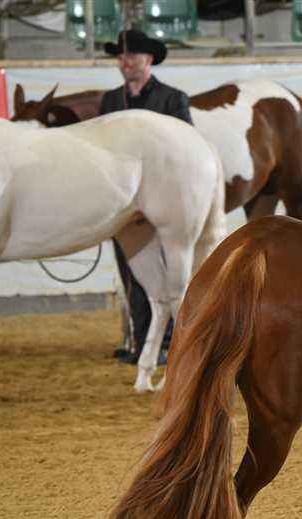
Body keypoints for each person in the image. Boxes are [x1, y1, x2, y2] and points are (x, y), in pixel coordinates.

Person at [100, 28, 192, 365]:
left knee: (169, 273)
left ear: (148, 59)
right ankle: (143, 342)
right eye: (121, 56)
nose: (125, 62)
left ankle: (170, 342)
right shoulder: (110, 101)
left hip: (164, 202)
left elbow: (187, 150)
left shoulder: (173, 99)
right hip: (126, 203)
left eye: (132, 55)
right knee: (132, 273)